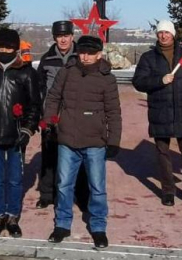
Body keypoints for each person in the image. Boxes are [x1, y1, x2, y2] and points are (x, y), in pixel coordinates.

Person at [43, 35, 122, 249]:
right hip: (67, 138)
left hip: (95, 141)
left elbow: (114, 112)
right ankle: (62, 224)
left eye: (90, 53)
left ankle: (98, 227)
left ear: (99, 54)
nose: (85, 57)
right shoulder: (67, 72)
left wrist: (114, 141)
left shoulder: (107, 78)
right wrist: (50, 124)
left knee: (97, 187)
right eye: (82, 52)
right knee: (63, 185)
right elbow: (53, 98)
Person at [0, 28, 41, 239]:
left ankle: (12, 216)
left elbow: (34, 105)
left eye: (9, 47)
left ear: (16, 48)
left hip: (15, 135)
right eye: (1, 47)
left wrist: (27, 130)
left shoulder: (26, 72)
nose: (4, 50)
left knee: (14, 179)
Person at [132, 19, 182, 208]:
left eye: (167, 32)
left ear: (173, 34)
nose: (163, 36)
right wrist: (160, 80)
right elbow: (139, 82)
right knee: (162, 154)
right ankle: (168, 191)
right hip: (160, 112)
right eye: (160, 33)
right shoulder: (148, 58)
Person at [35, 20, 84, 210]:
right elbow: (39, 88)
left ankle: (79, 194)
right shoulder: (47, 59)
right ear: (54, 38)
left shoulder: (82, 56)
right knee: (50, 156)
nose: (63, 40)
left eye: (66, 36)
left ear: (72, 36)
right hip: (52, 116)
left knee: (78, 156)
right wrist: (42, 112)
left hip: (76, 115)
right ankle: (48, 194)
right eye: (59, 36)